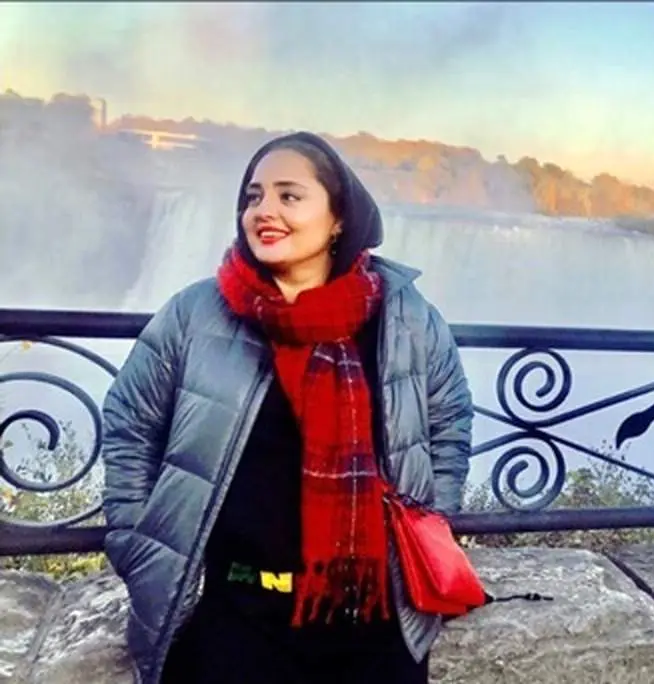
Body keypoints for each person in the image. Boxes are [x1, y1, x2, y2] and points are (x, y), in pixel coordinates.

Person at [99, 131, 474, 684]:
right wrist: (138, 545)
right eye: (253, 196)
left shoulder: (405, 319)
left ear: (339, 218)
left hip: (375, 622)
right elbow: (131, 428)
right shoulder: (194, 315)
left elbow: (447, 426)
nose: (263, 211)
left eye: (288, 195)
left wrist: (430, 522)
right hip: (232, 618)